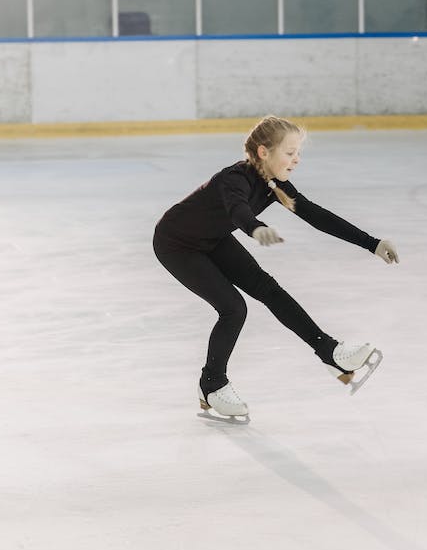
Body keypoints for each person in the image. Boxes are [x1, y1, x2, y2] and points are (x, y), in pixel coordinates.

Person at [153, 115, 399, 420]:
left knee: (267, 288)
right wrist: (254, 228)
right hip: (176, 243)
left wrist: (371, 243)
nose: (296, 159)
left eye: (298, 153)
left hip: (211, 238)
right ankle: (211, 384)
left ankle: (330, 352)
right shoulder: (235, 178)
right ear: (263, 152)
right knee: (233, 308)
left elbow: (315, 215)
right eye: (290, 152)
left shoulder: (273, 183)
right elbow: (238, 208)